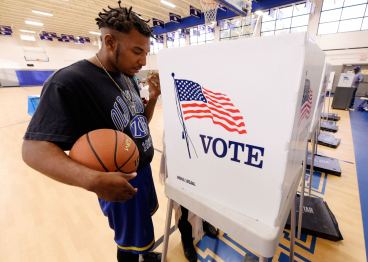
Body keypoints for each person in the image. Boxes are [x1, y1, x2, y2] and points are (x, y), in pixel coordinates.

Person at [22, 2, 162, 262]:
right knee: (129, 242)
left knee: (142, 233)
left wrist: (152, 98)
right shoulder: (69, 81)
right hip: (118, 179)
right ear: (110, 42)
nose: (143, 61)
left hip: (143, 172)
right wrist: (92, 180)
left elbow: (138, 124)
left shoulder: (125, 75)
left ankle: (144, 254)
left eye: (146, 52)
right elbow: (33, 150)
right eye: (137, 51)